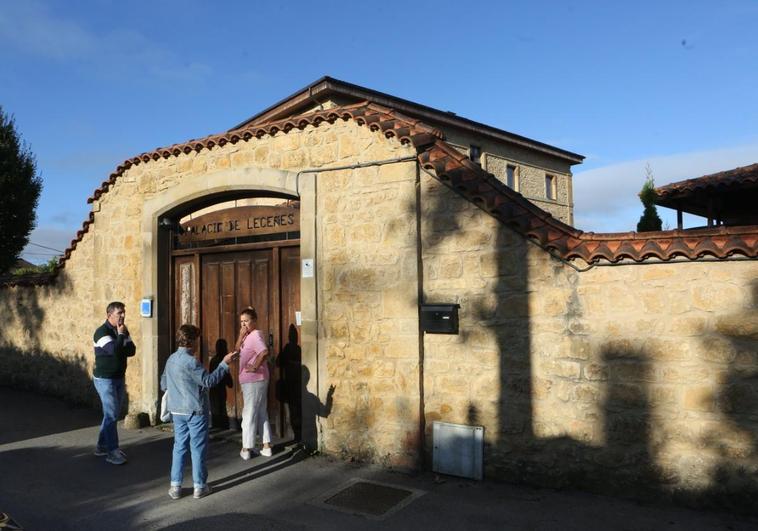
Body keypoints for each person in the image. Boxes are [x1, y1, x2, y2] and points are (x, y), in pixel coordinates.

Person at [161, 324, 237, 499]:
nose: (198, 344)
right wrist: (224, 364)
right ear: (191, 341)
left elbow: (163, 384)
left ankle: (175, 487)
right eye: (196, 340)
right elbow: (209, 381)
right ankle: (199, 486)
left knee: (179, 447)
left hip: (177, 410)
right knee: (197, 448)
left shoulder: (171, 359)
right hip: (195, 409)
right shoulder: (191, 362)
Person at [93, 301, 136, 465]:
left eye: (124, 312)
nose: (123, 315)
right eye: (119, 313)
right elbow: (115, 351)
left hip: (119, 377)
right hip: (105, 379)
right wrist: (120, 337)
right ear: (109, 315)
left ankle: (102, 446)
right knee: (111, 415)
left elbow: (132, 350)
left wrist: (121, 338)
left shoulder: (123, 330)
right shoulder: (101, 332)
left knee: (112, 414)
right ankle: (112, 452)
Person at [235, 307, 273, 460]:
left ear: (254, 321)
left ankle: (246, 448)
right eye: (241, 322)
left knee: (249, 413)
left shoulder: (255, 335)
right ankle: (266, 446)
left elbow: (264, 352)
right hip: (256, 379)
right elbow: (237, 351)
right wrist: (240, 335)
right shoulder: (247, 335)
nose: (243, 325)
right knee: (261, 411)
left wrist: (255, 366)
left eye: (246, 321)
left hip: (254, 380)